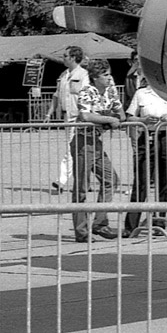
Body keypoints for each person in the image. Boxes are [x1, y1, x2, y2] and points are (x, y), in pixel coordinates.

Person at [123, 57, 167, 236]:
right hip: (146, 137)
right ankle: (131, 225)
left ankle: (159, 221)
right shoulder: (141, 93)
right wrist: (143, 120)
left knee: (164, 181)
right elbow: (130, 116)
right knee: (141, 181)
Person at [70, 59, 122, 242]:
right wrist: (107, 119)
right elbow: (85, 115)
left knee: (111, 179)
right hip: (84, 141)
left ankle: (100, 223)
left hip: (97, 141)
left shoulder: (110, 91)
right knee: (82, 187)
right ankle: (81, 230)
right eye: (105, 75)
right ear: (95, 77)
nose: (109, 78)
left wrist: (110, 118)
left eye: (109, 74)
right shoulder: (87, 91)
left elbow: (120, 114)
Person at [51, 46, 88, 193]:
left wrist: (83, 115)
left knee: (70, 150)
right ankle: (87, 181)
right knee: (81, 150)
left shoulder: (84, 75)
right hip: (67, 116)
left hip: (78, 117)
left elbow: (85, 96)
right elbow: (57, 94)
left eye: (65, 55)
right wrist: (50, 112)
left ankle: (61, 181)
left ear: (73, 57)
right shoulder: (64, 75)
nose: (63, 58)